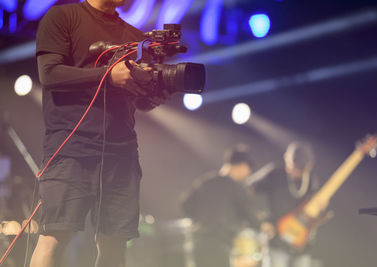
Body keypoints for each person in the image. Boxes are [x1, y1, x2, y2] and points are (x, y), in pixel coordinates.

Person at [30, 0, 168, 266]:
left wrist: (157, 92)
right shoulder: (63, 17)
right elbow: (49, 75)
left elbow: (140, 102)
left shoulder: (134, 37)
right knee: (55, 238)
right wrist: (107, 76)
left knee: (115, 246)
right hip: (71, 149)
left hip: (122, 154)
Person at [181, 144, 263, 267]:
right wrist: (263, 225)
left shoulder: (205, 181)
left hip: (199, 243)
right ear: (242, 166)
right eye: (248, 170)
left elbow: (185, 205)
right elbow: (251, 217)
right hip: (221, 244)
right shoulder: (237, 188)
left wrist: (201, 220)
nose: (247, 174)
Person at [249, 142, 328, 267]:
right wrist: (259, 219)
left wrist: (321, 210)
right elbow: (247, 190)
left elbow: (313, 213)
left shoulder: (311, 181)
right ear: (286, 157)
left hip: (302, 245)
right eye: (293, 166)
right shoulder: (275, 174)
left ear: (309, 166)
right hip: (276, 242)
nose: (296, 172)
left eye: (300, 169)